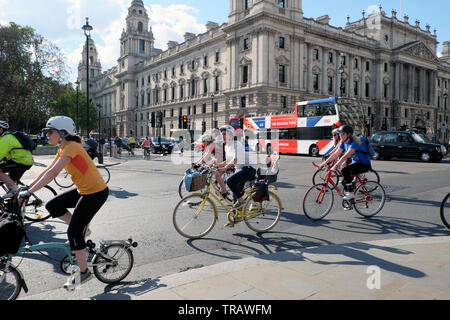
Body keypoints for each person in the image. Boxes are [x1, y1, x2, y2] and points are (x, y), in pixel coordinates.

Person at [19, 116, 109, 288]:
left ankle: (84, 273)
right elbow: (48, 170)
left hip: (96, 193)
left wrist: (29, 192)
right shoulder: (63, 147)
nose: (46, 135)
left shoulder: (72, 147)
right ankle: (83, 228)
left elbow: (53, 173)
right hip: (84, 190)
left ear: (62, 133)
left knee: (74, 232)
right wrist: (25, 188)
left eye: (49, 132)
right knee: (52, 205)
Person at [318, 125, 371, 201]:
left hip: (364, 164)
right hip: (355, 163)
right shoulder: (343, 143)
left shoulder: (354, 143)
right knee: (344, 182)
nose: (340, 135)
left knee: (344, 170)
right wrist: (323, 163)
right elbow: (336, 154)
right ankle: (350, 200)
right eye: (339, 133)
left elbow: (345, 156)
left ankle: (351, 193)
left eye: (342, 133)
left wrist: (335, 166)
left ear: (348, 134)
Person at [217, 125, 256, 214]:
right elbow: (227, 161)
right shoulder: (227, 146)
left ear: (230, 135)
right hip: (240, 170)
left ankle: (241, 201)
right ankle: (237, 217)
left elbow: (235, 159)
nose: (222, 136)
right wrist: (217, 165)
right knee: (236, 194)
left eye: (224, 134)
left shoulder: (236, 144)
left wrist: (225, 168)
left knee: (229, 181)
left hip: (248, 169)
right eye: (222, 134)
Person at [0, 121, 34, 199]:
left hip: (19, 161)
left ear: (1, 129)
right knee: (9, 182)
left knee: (12, 186)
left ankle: (15, 188)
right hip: (24, 162)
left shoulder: (6, 138)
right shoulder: (6, 137)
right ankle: (16, 206)